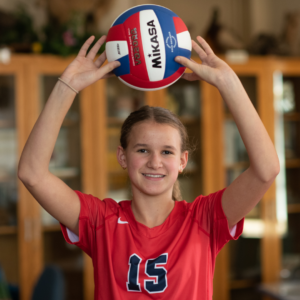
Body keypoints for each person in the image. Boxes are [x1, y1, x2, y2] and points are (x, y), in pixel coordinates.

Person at [18, 35, 280, 299]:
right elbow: (32, 174)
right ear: (122, 157)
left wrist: (229, 84)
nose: (155, 162)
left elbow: (266, 170)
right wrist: (67, 87)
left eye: (167, 152)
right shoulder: (101, 221)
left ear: (182, 161)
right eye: (142, 150)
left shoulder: (204, 220)